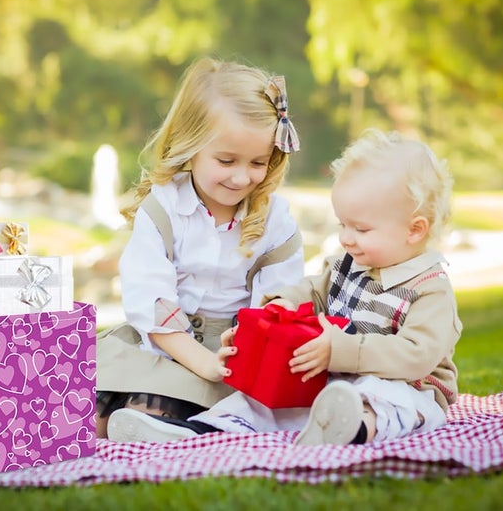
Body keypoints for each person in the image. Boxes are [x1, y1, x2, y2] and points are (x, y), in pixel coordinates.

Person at [107, 128, 462, 446]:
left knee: (384, 400)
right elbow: (313, 290)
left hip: (410, 388)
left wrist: (344, 352)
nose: (345, 238)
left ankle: (354, 429)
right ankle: (202, 430)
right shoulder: (351, 262)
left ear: (414, 230)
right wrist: (282, 304)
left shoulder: (429, 288)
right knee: (264, 401)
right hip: (337, 378)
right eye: (343, 225)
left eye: (361, 229)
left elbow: (416, 356)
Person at [95, 57, 306, 438]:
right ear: (190, 147)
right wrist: (204, 364)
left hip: (236, 355)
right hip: (168, 344)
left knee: (169, 405)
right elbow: (152, 300)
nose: (242, 177)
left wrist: (243, 350)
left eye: (258, 162)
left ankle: (174, 428)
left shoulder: (275, 221)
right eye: (226, 160)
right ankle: (142, 424)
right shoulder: (164, 210)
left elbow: (281, 298)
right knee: (98, 394)